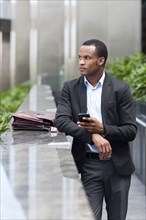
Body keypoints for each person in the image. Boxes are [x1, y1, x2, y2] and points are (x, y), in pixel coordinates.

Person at [54, 39, 137, 220]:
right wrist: (93, 136)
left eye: (87, 57)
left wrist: (103, 129)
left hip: (118, 167)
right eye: (79, 57)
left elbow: (131, 130)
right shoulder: (70, 87)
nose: (81, 62)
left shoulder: (120, 89)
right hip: (88, 165)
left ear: (101, 61)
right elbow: (61, 120)